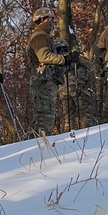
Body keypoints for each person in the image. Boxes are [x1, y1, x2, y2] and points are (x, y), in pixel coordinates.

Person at [26, 8, 68, 136]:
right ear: (43, 20)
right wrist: (64, 59)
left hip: (45, 81)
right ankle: (39, 148)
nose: (52, 22)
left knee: (43, 116)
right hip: (42, 81)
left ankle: (36, 145)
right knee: (44, 118)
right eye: (50, 19)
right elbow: (44, 56)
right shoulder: (40, 36)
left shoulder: (43, 36)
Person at [55, 29, 99, 131]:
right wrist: (99, 73)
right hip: (78, 89)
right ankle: (89, 134)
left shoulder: (56, 60)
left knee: (68, 119)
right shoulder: (74, 57)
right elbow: (91, 66)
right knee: (85, 115)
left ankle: (67, 137)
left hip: (63, 92)